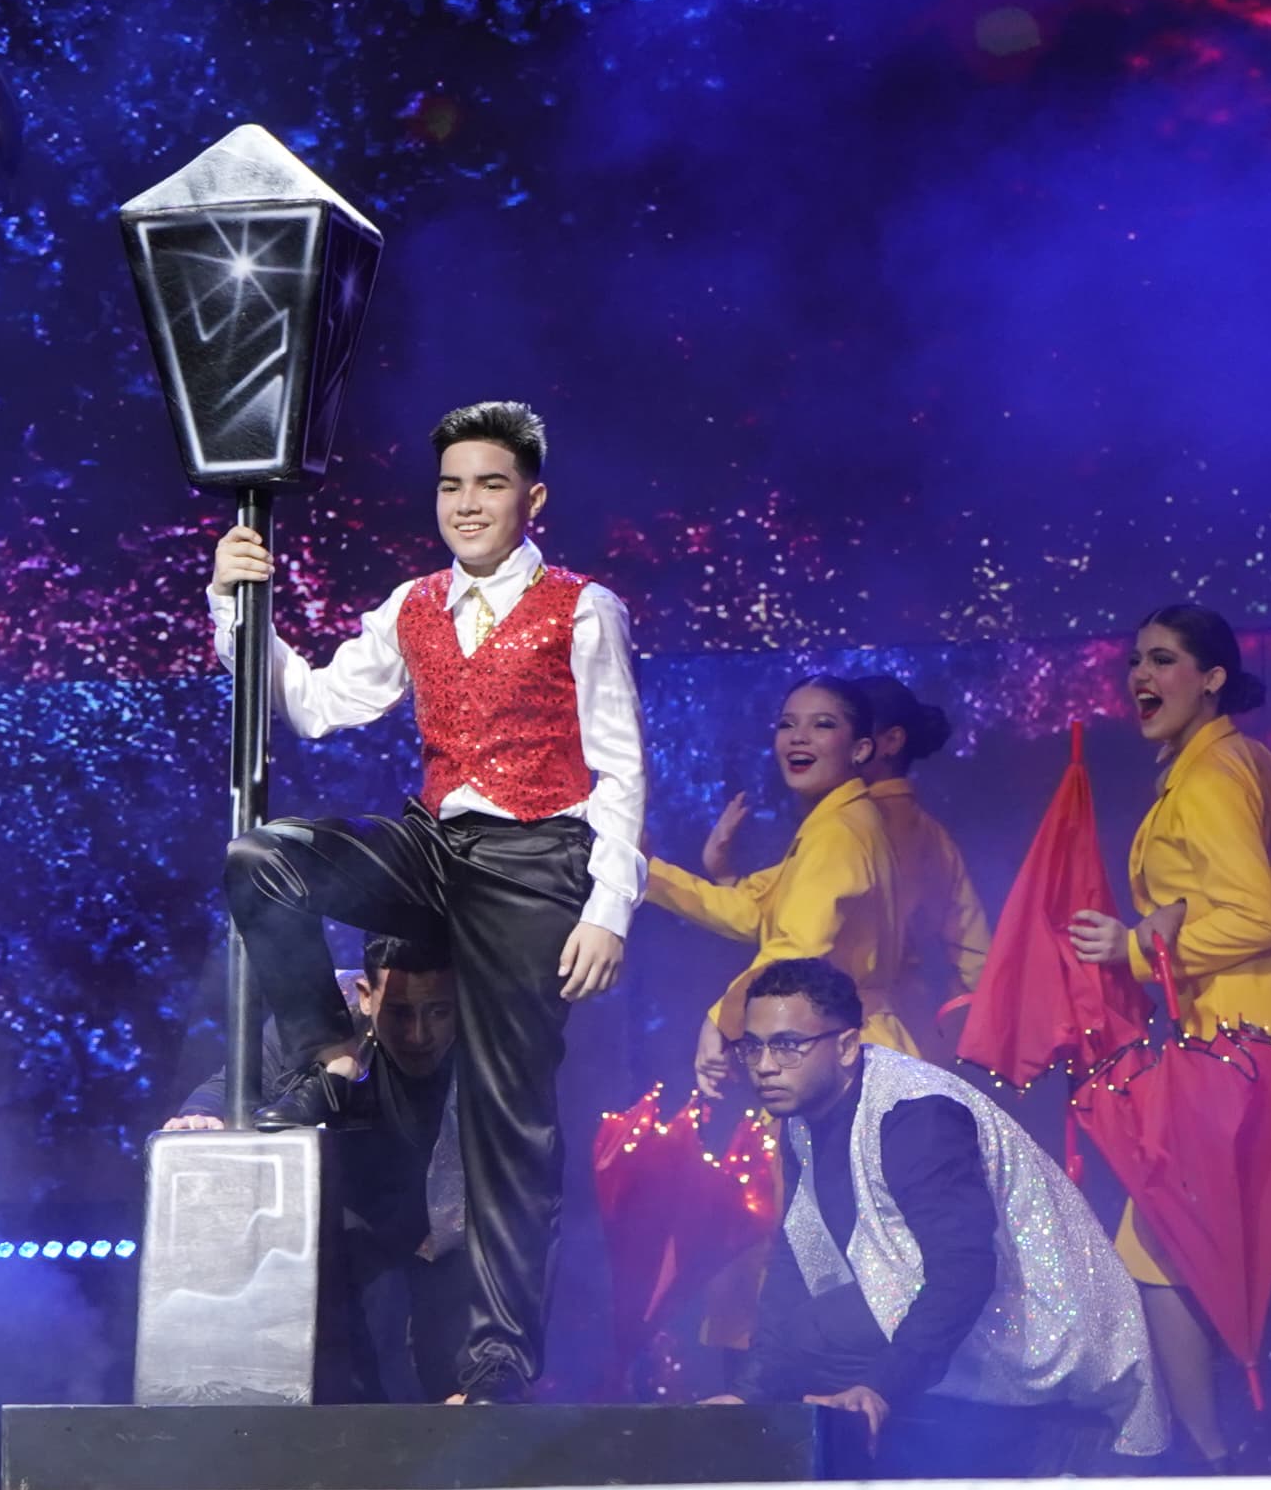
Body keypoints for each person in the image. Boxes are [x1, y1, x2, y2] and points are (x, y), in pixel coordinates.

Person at [206, 399, 646, 1405]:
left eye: (488, 483)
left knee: (505, 1119)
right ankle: (325, 1058)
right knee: (262, 858)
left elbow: (619, 767)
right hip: (439, 841)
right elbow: (310, 704)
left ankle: (496, 1360)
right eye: (450, 485)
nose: (466, 503)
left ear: (531, 497)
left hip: (539, 861)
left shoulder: (582, 608)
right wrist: (236, 607)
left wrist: (607, 905)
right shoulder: (413, 603)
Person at [1064, 604, 1271, 1466]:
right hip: (1251, 1024)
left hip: (1253, 1027)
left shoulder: (1217, 771)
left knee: (1164, 1242)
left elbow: (1259, 913)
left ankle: (1205, 1458)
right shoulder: (1211, 765)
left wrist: (1139, 942)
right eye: (1136, 662)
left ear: (1213, 676)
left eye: (1163, 660)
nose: (1140, 677)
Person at [708, 958, 1162, 1469]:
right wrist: (748, 1396)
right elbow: (796, 1256)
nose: (766, 1065)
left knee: (816, 1336)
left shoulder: (918, 1115)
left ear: (845, 1046)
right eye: (754, 1046)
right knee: (803, 1334)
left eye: (788, 1045)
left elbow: (965, 1270)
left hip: (1032, 1324)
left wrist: (880, 1387)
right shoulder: (801, 1118)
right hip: (920, 1299)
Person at [160, 934, 470, 1400]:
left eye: (438, 1013)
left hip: (450, 1213)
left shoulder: (487, 1039)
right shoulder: (323, 1016)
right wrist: (202, 1115)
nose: (419, 1035)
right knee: (331, 1350)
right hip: (351, 1209)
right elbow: (235, 1083)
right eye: (401, 1013)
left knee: (453, 1375)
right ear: (366, 996)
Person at [644, 674, 952, 1088]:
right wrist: (643, 869)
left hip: (851, 1058)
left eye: (822, 724)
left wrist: (722, 1019)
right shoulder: (834, 821)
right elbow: (754, 911)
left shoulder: (841, 830)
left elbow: (800, 945)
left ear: (860, 749)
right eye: (787, 724)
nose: (798, 738)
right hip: (843, 1052)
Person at [846, 673, 991, 1048]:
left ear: (891, 741)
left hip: (855, 1030)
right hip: (917, 1027)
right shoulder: (934, 835)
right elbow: (976, 952)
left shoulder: (855, 827)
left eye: (848, 727)